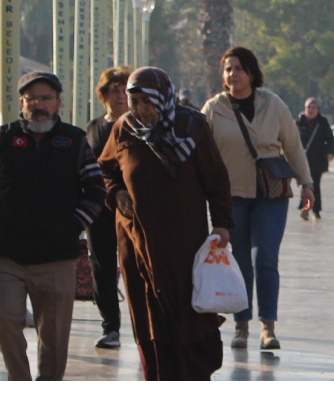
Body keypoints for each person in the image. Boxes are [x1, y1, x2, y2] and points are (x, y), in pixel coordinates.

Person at [0, 71, 105, 381]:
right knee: (7, 322)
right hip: (8, 255)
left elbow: (96, 191)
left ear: (58, 103)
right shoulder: (4, 139)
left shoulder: (75, 141)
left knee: (53, 337)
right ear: (22, 103)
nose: (39, 105)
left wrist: (72, 225)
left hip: (57, 256)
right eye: (32, 99)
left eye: (46, 98)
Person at [98, 67, 235, 379]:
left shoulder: (192, 126)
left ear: (162, 98)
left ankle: (194, 376)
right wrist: (116, 191)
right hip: (137, 242)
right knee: (148, 312)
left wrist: (223, 224)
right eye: (134, 102)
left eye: (147, 102)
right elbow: (104, 169)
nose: (140, 110)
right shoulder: (124, 128)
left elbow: (216, 178)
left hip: (183, 242)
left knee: (188, 308)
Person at [202, 46, 315, 351]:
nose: (233, 74)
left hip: (271, 194)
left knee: (264, 256)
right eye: (227, 69)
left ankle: (268, 326)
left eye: (238, 68)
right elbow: (199, 151)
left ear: (251, 73)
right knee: (238, 262)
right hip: (231, 197)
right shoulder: (214, 108)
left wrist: (307, 183)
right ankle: (241, 326)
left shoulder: (272, 104)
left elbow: (292, 147)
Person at [86, 66, 134, 350]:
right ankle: (110, 326)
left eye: (124, 91)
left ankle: (145, 324)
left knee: (137, 266)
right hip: (99, 209)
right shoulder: (93, 129)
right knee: (101, 265)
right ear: (103, 95)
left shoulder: (139, 126)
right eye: (113, 91)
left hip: (132, 209)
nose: (119, 97)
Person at [295, 97, 334, 221]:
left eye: (314, 108)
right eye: (309, 107)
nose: (311, 110)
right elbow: (292, 140)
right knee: (305, 184)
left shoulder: (322, 122)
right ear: (304, 109)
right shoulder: (299, 122)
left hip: (318, 159)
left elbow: (330, 139)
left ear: (318, 109)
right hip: (303, 159)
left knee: (315, 185)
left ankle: (316, 210)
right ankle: (305, 209)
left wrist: (330, 152)